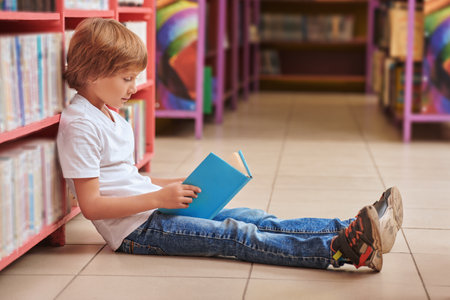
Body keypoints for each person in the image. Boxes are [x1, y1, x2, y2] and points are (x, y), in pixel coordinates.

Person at [57, 18, 403, 272]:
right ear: (92, 72)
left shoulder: (108, 113)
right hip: (137, 230)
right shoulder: (81, 124)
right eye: (127, 78)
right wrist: (159, 198)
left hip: (151, 208)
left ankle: (348, 228)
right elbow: (92, 205)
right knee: (236, 235)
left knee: (254, 217)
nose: (134, 87)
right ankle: (338, 250)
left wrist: (174, 184)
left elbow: (124, 178)